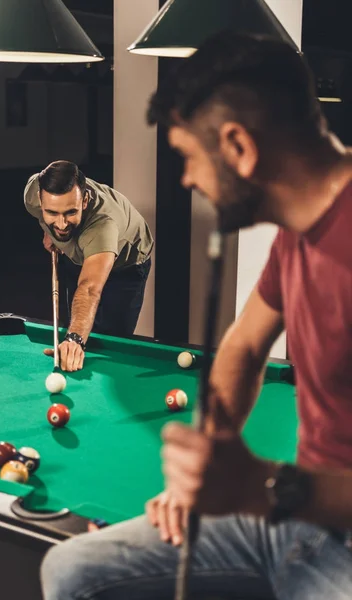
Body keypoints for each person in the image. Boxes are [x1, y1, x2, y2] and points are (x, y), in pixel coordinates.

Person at [40, 32, 352, 599]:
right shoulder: (300, 231)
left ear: (238, 146)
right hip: (287, 521)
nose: (185, 180)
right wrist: (211, 462)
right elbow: (244, 346)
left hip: (336, 543)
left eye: (188, 157)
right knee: (70, 572)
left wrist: (267, 488)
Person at [24, 161, 154, 372]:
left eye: (70, 213)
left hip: (126, 265)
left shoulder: (103, 224)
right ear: (40, 200)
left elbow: (89, 287)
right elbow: (55, 220)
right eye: (52, 213)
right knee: (78, 321)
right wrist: (50, 231)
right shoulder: (32, 194)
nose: (62, 224)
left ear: (84, 201)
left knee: (111, 341)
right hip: (80, 252)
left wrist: (75, 339)